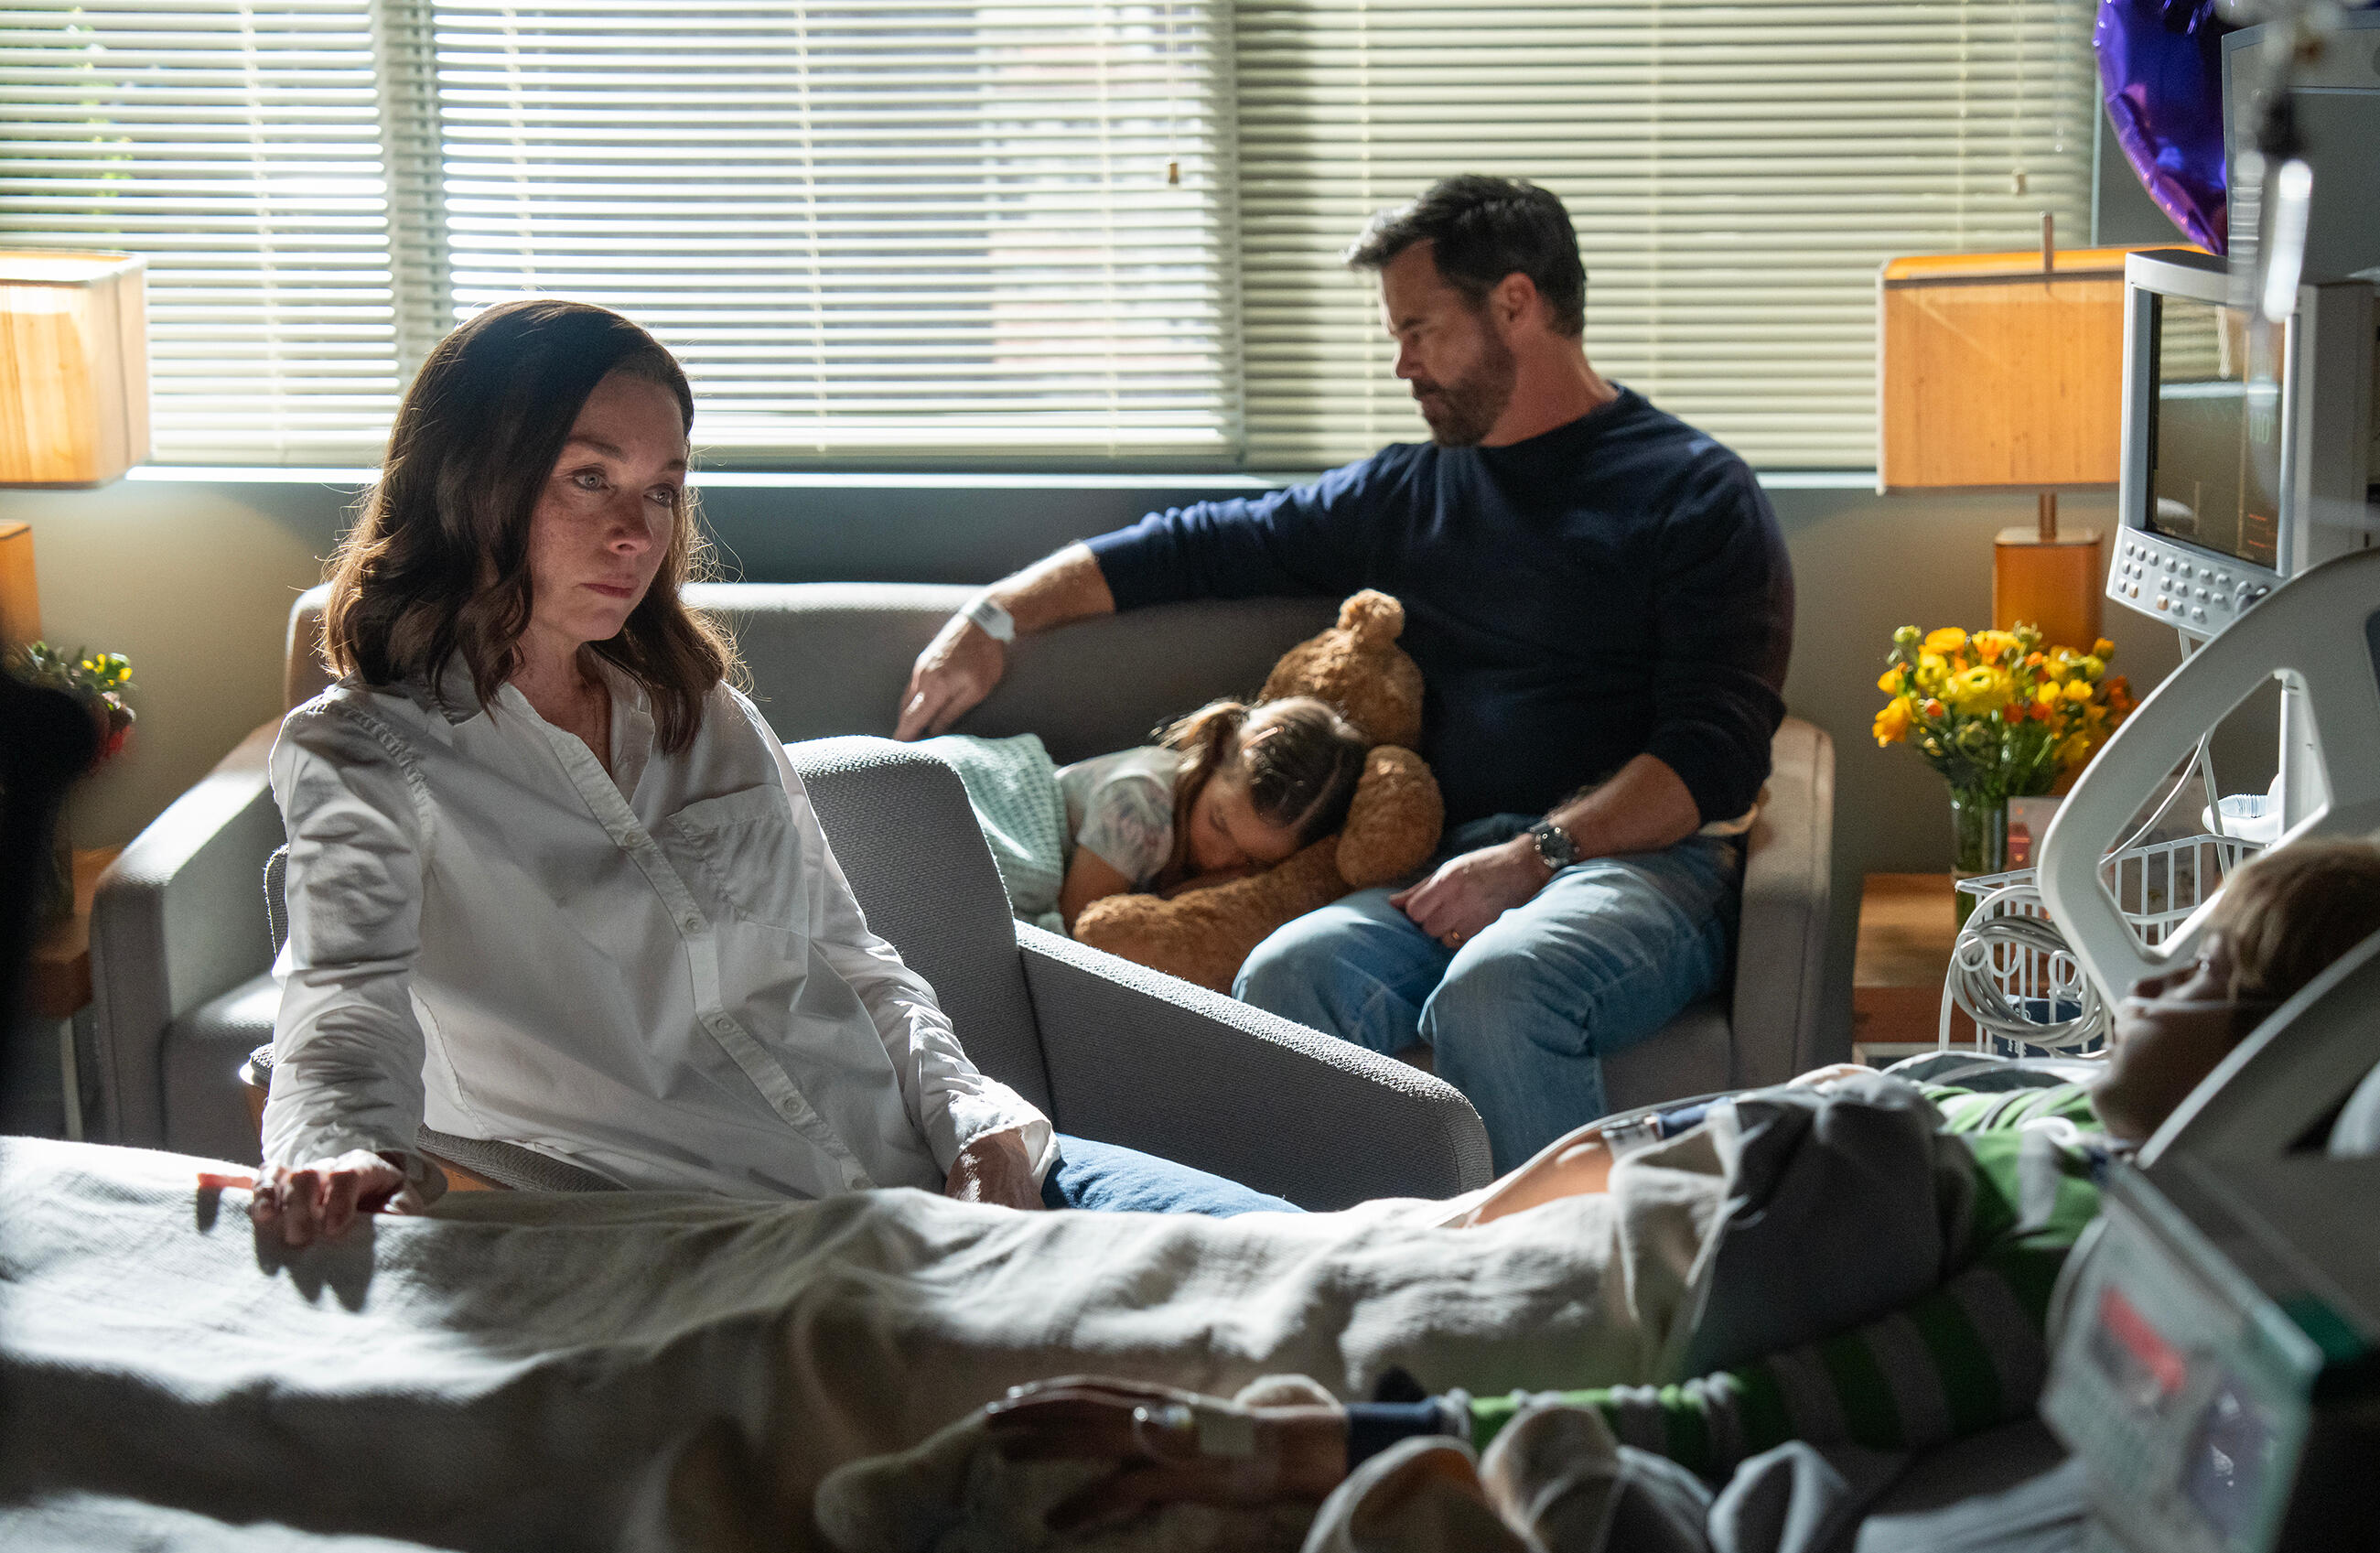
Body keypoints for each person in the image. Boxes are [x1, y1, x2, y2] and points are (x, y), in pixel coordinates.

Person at [976, 832, 2380, 1516]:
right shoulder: (2023, 1097)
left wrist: (1298, 1449)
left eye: (2203, 979)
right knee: (1053, 1176)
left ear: (2288, 1063)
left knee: (1034, 1249)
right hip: (1494, 1236)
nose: (2151, 981)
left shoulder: (2085, 1260)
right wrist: (1505, 1192)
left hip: (1538, 1328)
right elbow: (1727, 1124)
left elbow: (1748, 1414)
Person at [255, 298, 1292, 1244]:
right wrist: (337, 1149)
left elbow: (856, 962)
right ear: (468, 479)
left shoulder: (700, 714)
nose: (636, 532)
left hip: (955, 1168)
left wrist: (978, 1124)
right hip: (755, 1246)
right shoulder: (365, 754)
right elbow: (343, 997)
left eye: (663, 490)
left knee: (1315, 1256)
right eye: (589, 478)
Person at [890, 175, 1796, 1173]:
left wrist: (1534, 855)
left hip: (1632, 869)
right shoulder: (1409, 492)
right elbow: (1197, 545)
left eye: (1419, 329)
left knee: (1500, 984)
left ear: (1515, 303)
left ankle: (1577, 1306)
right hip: (1437, 869)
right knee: (1284, 976)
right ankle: (1342, 1292)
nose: (1401, 362)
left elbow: (1710, 755)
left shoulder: (1694, 493)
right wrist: (995, 615)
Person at [1053, 696, 1367, 927]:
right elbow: (1078, 935)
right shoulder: (1138, 804)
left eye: (1252, 860)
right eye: (1219, 824)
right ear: (1218, 751)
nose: (1220, 861)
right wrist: (1183, 898)